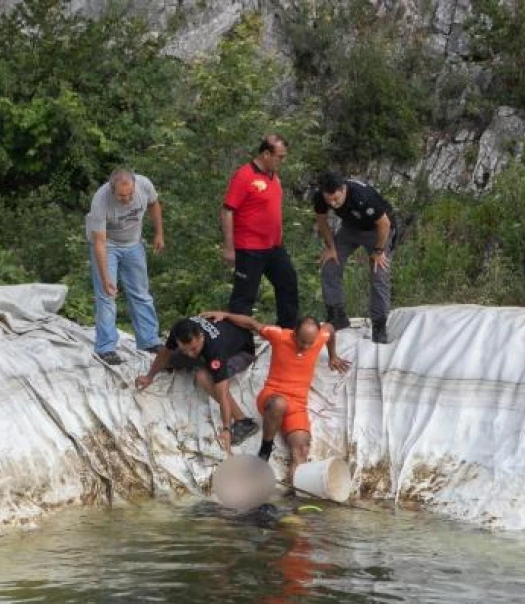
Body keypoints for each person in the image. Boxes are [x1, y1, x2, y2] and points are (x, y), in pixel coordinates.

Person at [203, 311, 350, 485]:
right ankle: (265, 449)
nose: (306, 346)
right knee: (279, 404)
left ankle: (296, 500)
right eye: (302, 341)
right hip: (273, 395)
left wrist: (332, 355)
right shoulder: (280, 336)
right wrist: (225, 315)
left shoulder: (320, 336)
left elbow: (331, 330)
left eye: (310, 343)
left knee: (302, 449)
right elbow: (251, 324)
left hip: (298, 405)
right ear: (294, 332)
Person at [136, 315, 261, 452]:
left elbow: (223, 392)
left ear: (201, 337)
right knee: (172, 359)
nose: (190, 353)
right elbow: (165, 353)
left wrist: (226, 428)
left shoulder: (215, 349)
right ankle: (187, 357)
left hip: (242, 352)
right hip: (213, 346)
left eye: (194, 348)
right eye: (185, 349)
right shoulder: (179, 330)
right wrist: (149, 377)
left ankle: (243, 421)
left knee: (202, 376)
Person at [85, 168, 165, 365]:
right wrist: (106, 280)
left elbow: (154, 205)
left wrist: (158, 234)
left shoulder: (144, 184)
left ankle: (149, 341)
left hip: (133, 244)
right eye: (122, 196)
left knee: (141, 293)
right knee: (106, 296)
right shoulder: (100, 201)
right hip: (107, 245)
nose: (127, 199)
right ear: (112, 190)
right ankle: (106, 347)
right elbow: (100, 243)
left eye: (130, 194)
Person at [221, 134, 299, 329]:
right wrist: (229, 248)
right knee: (244, 296)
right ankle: (237, 342)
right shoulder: (244, 175)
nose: (282, 161)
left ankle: (287, 333)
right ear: (266, 153)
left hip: (274, 246)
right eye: (279, 157)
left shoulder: (274, 177)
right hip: (249, 248)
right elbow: (227, 210)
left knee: (288, 283)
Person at [313, 171, 396, 344]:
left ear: (343, 189)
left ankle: (379, 325)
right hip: (350, 229)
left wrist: (379, 251)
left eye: (336, 199)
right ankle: (337, 315)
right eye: (329, 201)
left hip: (378, 231)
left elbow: (384, 223)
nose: (333, 204)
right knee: (330, 264)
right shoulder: (321, 196)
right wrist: (331, 247)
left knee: (378, 273)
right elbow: (322, 221)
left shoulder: (362, 195)